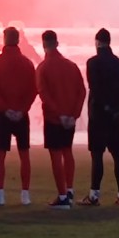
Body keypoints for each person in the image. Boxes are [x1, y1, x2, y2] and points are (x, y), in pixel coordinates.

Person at [0, 27, 36, 206]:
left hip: (3, 114)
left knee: (0, 155)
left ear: (5, 39)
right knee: (24, 154)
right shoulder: (27, 63)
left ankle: (0, 195)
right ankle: (25, 195)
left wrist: (5, 108)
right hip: (22, 114)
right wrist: (23, 109)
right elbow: (33, 89)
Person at [81, 29, 119, 206]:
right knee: (118, 155)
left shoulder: (93, 63)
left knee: (97, 155)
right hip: (115, 117)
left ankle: (94, 195)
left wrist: (107, 107)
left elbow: (95, 88)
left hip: (99, 115)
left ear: (97, 42)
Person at [36, 30, 86, 210]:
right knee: (67, 151)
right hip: (70, 117)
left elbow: (44, 94)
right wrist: (73, 114)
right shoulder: (71, 66)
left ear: (44, 45)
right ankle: (69, 189)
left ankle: (63, 196)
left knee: (56, 155)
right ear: (57, 43)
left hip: (54, 118)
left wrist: (59, 114)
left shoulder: (43, 67)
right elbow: (81, 91)